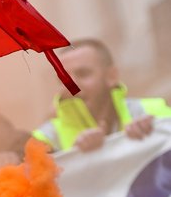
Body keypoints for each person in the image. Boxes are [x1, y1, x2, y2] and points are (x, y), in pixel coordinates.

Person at [32, 38, 171, 152]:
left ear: (112, 76)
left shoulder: (152, 111)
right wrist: (75, 157)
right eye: (64, 78)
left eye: (83, 74)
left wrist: (154, 133)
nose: (71, 85)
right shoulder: (44, 139)